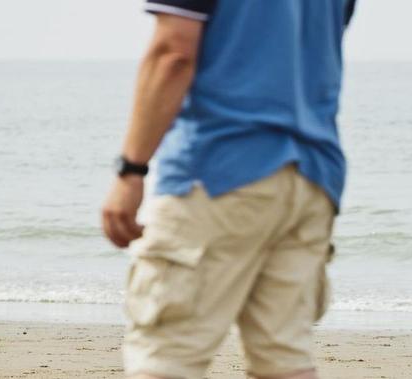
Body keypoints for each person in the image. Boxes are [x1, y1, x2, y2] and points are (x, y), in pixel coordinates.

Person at [100, 1, 355, 378]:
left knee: (167, 357)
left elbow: (173, 53)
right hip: (313, 174)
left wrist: (131, 168)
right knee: (285, 361)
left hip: (220, 166)